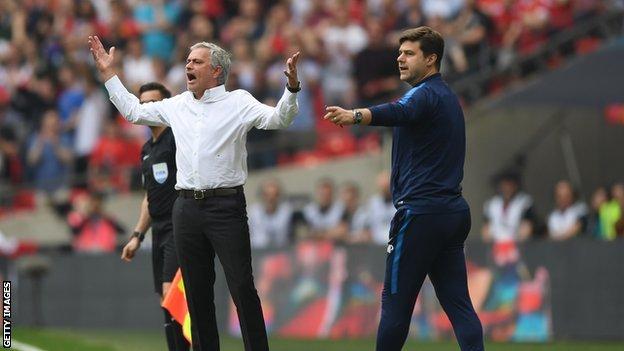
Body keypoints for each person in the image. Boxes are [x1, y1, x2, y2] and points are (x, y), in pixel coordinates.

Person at [88, 35, 300, 351]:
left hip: (225, 206)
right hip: (185, 208)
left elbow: (279, 118)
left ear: (216, 71)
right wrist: (108, 74)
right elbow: (133, 112)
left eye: (196, 61)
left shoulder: (238, 102)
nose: (188, 65)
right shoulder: (178, 105)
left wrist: (291, 89)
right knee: (196, 293)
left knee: (242, 286)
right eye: (188, 61)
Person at [323, 26, 484, 351]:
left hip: (421, 214)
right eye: (400, 53)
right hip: (451, 211)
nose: (400, 59)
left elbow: (399, 111)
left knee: (395, 303)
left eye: (409, 53)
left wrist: (356, 115)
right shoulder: (447, 97)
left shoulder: (422, 94)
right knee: (459, 306)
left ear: (431, 58)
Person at [120, 82, 188, 351]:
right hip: (159, 230)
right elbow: (150, 196)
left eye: (153, 103)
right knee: (165, 296)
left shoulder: (177, 138)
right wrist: (137, 235)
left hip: (179, 226)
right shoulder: (147, 149)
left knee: (172, 292)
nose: (147, 108)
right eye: (143, 103)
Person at [482, 171, 536, 243]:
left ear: (516, 185)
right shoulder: (492, 204)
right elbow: (486, 231)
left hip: (516, 247)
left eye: (510, 184)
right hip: (495, 247)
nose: (507, 188)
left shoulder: (525, 203)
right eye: (504, 184)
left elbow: (526, 231)